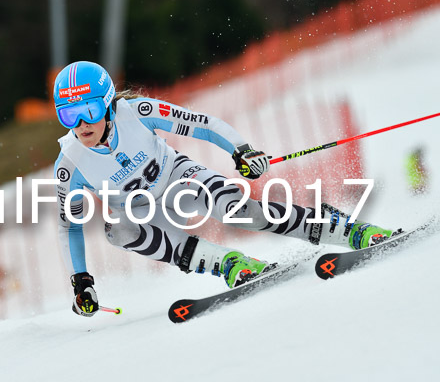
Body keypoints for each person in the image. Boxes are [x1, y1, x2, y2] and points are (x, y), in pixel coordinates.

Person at [53, 61, 394, 317]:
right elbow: (69, 226)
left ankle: (339, 228)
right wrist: (80, 280)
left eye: (90, 111)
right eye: (69, 116)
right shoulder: (70, 163)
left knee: (241, 213)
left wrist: (241, 150)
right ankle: (228, 263)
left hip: (177, 179)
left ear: (109, 104)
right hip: (142, 211)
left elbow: (204, 125)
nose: (81, 124)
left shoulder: (137, 113)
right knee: (117, 231)